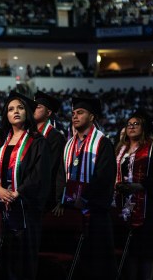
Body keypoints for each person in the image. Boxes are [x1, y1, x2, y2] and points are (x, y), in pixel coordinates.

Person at [0, 91, 51, 280]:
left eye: (20, 108)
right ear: (6, 115)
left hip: (26, 208)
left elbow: (39, 175)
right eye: (11, 109)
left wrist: (18, 193)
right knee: (4, 259)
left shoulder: (37, 141)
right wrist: (0, 190)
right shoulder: (1, 143)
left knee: (23, 261)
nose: (15, 111)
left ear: (27, 112)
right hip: (2, 206)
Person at [57, 97, 116, 280]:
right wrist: (61, 199)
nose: (74, 116)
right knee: (75, 263)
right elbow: (61, 175)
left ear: (92, 117)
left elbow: (104, 176)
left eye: (80, 113)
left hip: (95, 212)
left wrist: (84, 198)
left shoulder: (103, 143)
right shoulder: (68, 144)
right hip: (71, 210)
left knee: (96, 265)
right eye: (73, 113)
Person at [114, 109, 153, 280]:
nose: (131, 127)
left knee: (145, 252)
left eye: (136, 124)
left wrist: (139, 186)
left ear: (143, 127)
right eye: (129, 124)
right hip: (124, 205)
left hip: (148, 206)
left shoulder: (151, 147)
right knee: (128, 251)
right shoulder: (121, 149)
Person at [34, 90, 66, 210]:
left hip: (46, 195)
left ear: (48, 112)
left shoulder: (55, 137)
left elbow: (52, 167)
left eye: (38, 107)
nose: (33, 109)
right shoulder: (28, 134)